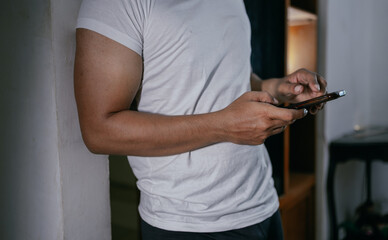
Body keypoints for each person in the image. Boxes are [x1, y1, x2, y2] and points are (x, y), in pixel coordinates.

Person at [74, 0, 327, 239]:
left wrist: (277, 87)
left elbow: (230, 79)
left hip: (263, 204)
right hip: (187, 223)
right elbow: (99, 131)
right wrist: (224, 126)